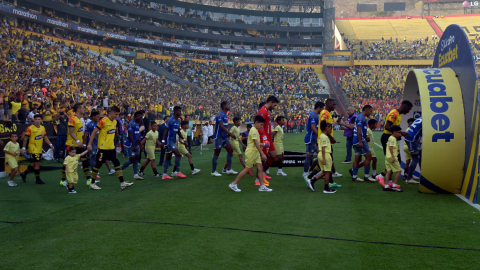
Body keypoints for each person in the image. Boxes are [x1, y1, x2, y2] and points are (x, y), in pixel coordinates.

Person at [87, 106, 134, 190]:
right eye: (116, 114)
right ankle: (92, 183)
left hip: (111, 148)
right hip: (103, 148)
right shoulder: (103, 121)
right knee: (98, 164)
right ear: (111, 112)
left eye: (118, 114)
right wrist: (89, 144)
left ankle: (122, 183)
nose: (117, 116)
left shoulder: (115, 122)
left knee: (117, 163)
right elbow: (94, 131)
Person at [228, 115, 271, 192]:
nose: (262, 126)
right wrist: (262, 154)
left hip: (255, 152)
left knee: (260, 168)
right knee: (247, 169)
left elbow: (256, 142)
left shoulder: (255, 130)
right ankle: (233, 184)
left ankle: (262, 186)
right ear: (256, 123)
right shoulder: (254, 130)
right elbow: (255, 143)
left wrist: (263, 144)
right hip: (251, 152)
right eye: (261, 124)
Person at [380, 100, 413, 176]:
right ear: (405, 107)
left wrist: (398, 136)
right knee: (393, 159)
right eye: (408, 109)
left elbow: (394, 128)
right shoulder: (394, 114)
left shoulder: (399, 115)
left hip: (392, 138)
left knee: (397, 159)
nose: (408, 111)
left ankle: (384, 176)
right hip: (387, 138)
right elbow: (387, 127)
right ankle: (383, 177)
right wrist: (401, 133)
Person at [62, 103, 92, 186]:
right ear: (78, 110)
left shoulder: (80, 119)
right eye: (83, 108)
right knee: (68, 163)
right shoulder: (72, 119)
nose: (84, 109)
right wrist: (78, 141)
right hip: (71, 144)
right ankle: (63, 180)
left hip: (79, 144)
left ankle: (89, 179)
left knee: (84, 160)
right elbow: (71, 132)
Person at [20, 114, 55, 184]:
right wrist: (23, 148)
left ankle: (24, 173)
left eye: (39, 119)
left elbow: (45, 137)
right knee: (37, 163)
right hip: (33, 148)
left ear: (41, 120)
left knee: (36, 163)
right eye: (36, 119)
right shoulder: (30, 128)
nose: (37, 121)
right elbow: (25, 139)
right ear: (33, 120)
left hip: (39, 148)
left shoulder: (42, 128)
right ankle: (37, 179)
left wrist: (50, 144)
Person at [305, 120, 337, 193]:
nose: (331, 130)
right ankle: (326, 188)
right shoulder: (324, 137)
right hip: (325, 154)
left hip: (323, 155)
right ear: (326, 128)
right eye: (330, 129)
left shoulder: (322, 136)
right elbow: (323, 147)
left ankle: (312, 181)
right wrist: (323, 158)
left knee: (325, 172)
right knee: (328, 172)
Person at [257, 96, 281, 185]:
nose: (274, 108)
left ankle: (262, 174)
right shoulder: (263, 111)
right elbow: (260, 125)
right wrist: (263, 138)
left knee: (274, 155)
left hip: (268, 138)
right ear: (270, 102)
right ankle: (258, 180)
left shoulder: (266, 111)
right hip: (264, 138)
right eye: (274, 105)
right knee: (262, 159)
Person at [159, 106, 186, 180]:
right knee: (178, 154)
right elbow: (165, 131)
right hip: (169, 141)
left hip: (173, 141)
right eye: (178, 111)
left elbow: (178, 131)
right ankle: (178, 172)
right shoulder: (170, 120)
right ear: (174, 112)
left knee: (168, 157)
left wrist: (183, 139)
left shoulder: (178, 121)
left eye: (180, 111)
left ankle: (164, 175)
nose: (180, 113)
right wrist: (163, 142)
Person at [211, 101, 237, 177]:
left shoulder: (226, 115)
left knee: (230, 150)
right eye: (228, 104)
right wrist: (230, 134)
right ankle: (213, 171)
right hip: (218, 137)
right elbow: (221, 126)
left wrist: (227, 134)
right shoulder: (220, 114)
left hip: (224, 137)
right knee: (216, 153)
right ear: (224, 106)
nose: (229, 105)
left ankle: (228, 169)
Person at [350, 105, 376, 182]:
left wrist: (365, 137)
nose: (371, 113)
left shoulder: (360, 117)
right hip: (359, 140)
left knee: (357, 159)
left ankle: (354, 176)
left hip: (355, 140)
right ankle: (366, 176)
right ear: (367, 110)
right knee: (368, 157)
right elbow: (358, 130)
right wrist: (361, 141)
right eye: (370, 111)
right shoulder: (361, 117)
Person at [319, 99, 343, 179]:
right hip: (325, 140)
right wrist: (331, 137)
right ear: (328, 104)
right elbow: (323, 125)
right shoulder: (325, 113)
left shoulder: (328, 113)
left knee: (329, 159)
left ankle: (332, 174)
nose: (334, 106)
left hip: (327, 140)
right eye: (333, 104)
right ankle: (312, 176)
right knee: (327, 159)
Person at [121, 111, 144, 180]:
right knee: (132, 159)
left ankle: (135, 175)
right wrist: (133, 146)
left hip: (136, 144)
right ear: (136, 116)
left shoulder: (137, 124)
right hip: (131, 145)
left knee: (136, 158)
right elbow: (130, 135)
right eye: (140, 117)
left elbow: (136, 135)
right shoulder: (131, 123)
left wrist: (140, 144)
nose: (141, 119)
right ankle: (120, 169)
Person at [303, 101, 323, 177]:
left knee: (320, 154)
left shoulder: (315, 115)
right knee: (309, 155)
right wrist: (319, 136)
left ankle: (318, 171)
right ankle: (305, 173)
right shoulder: (314, 115)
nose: (322, 110)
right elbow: (313, 127)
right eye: (322, 108)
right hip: (311, 138)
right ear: (319, 108)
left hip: (314, 138)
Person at [384, 126, 403, 192]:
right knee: (399, 171)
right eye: (399, 132)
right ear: (394, 132)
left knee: (389, 171)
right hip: (392, 157)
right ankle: (394, 185)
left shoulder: (390, 138)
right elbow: (391, 148)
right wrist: (393, 157)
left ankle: (386, 186)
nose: (400, 134)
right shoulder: (393, 138)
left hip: (387, 157)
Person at [404, 116, 422, 184]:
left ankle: (422, 176)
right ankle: (409, 178)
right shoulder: (426, 120)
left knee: (420, 156)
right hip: (412, 140)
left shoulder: (421, 118)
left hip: (413, 139)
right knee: (415, 159)